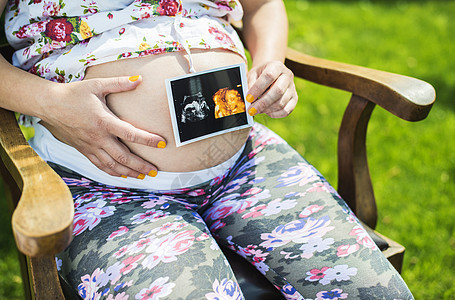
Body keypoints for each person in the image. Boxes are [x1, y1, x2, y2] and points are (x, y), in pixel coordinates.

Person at [0, 0, 414, 299]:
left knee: (375, 293)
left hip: (248, 165)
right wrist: (48, 102)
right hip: (109, 188)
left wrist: (272, 63)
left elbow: (262, 4)